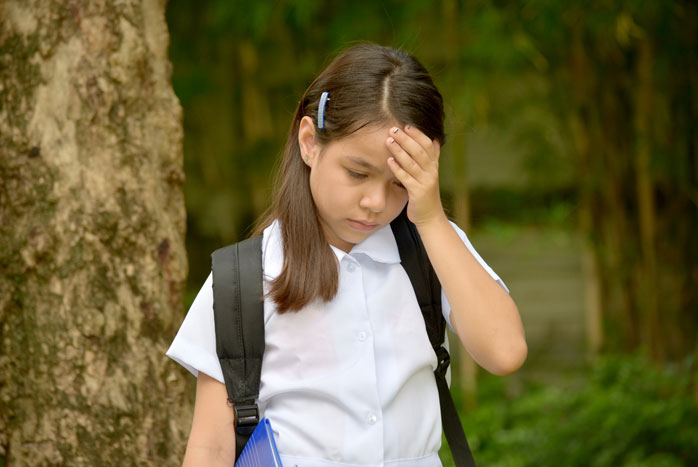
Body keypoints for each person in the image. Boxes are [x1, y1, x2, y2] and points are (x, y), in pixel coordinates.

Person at [167, 43, 527, 467]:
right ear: (309, 143)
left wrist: (430, 218)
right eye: (357, 173)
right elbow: (211, 446)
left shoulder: (433, 247)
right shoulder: (244, 278)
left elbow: (504, 353)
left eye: (400, 182)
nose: (374, 201)